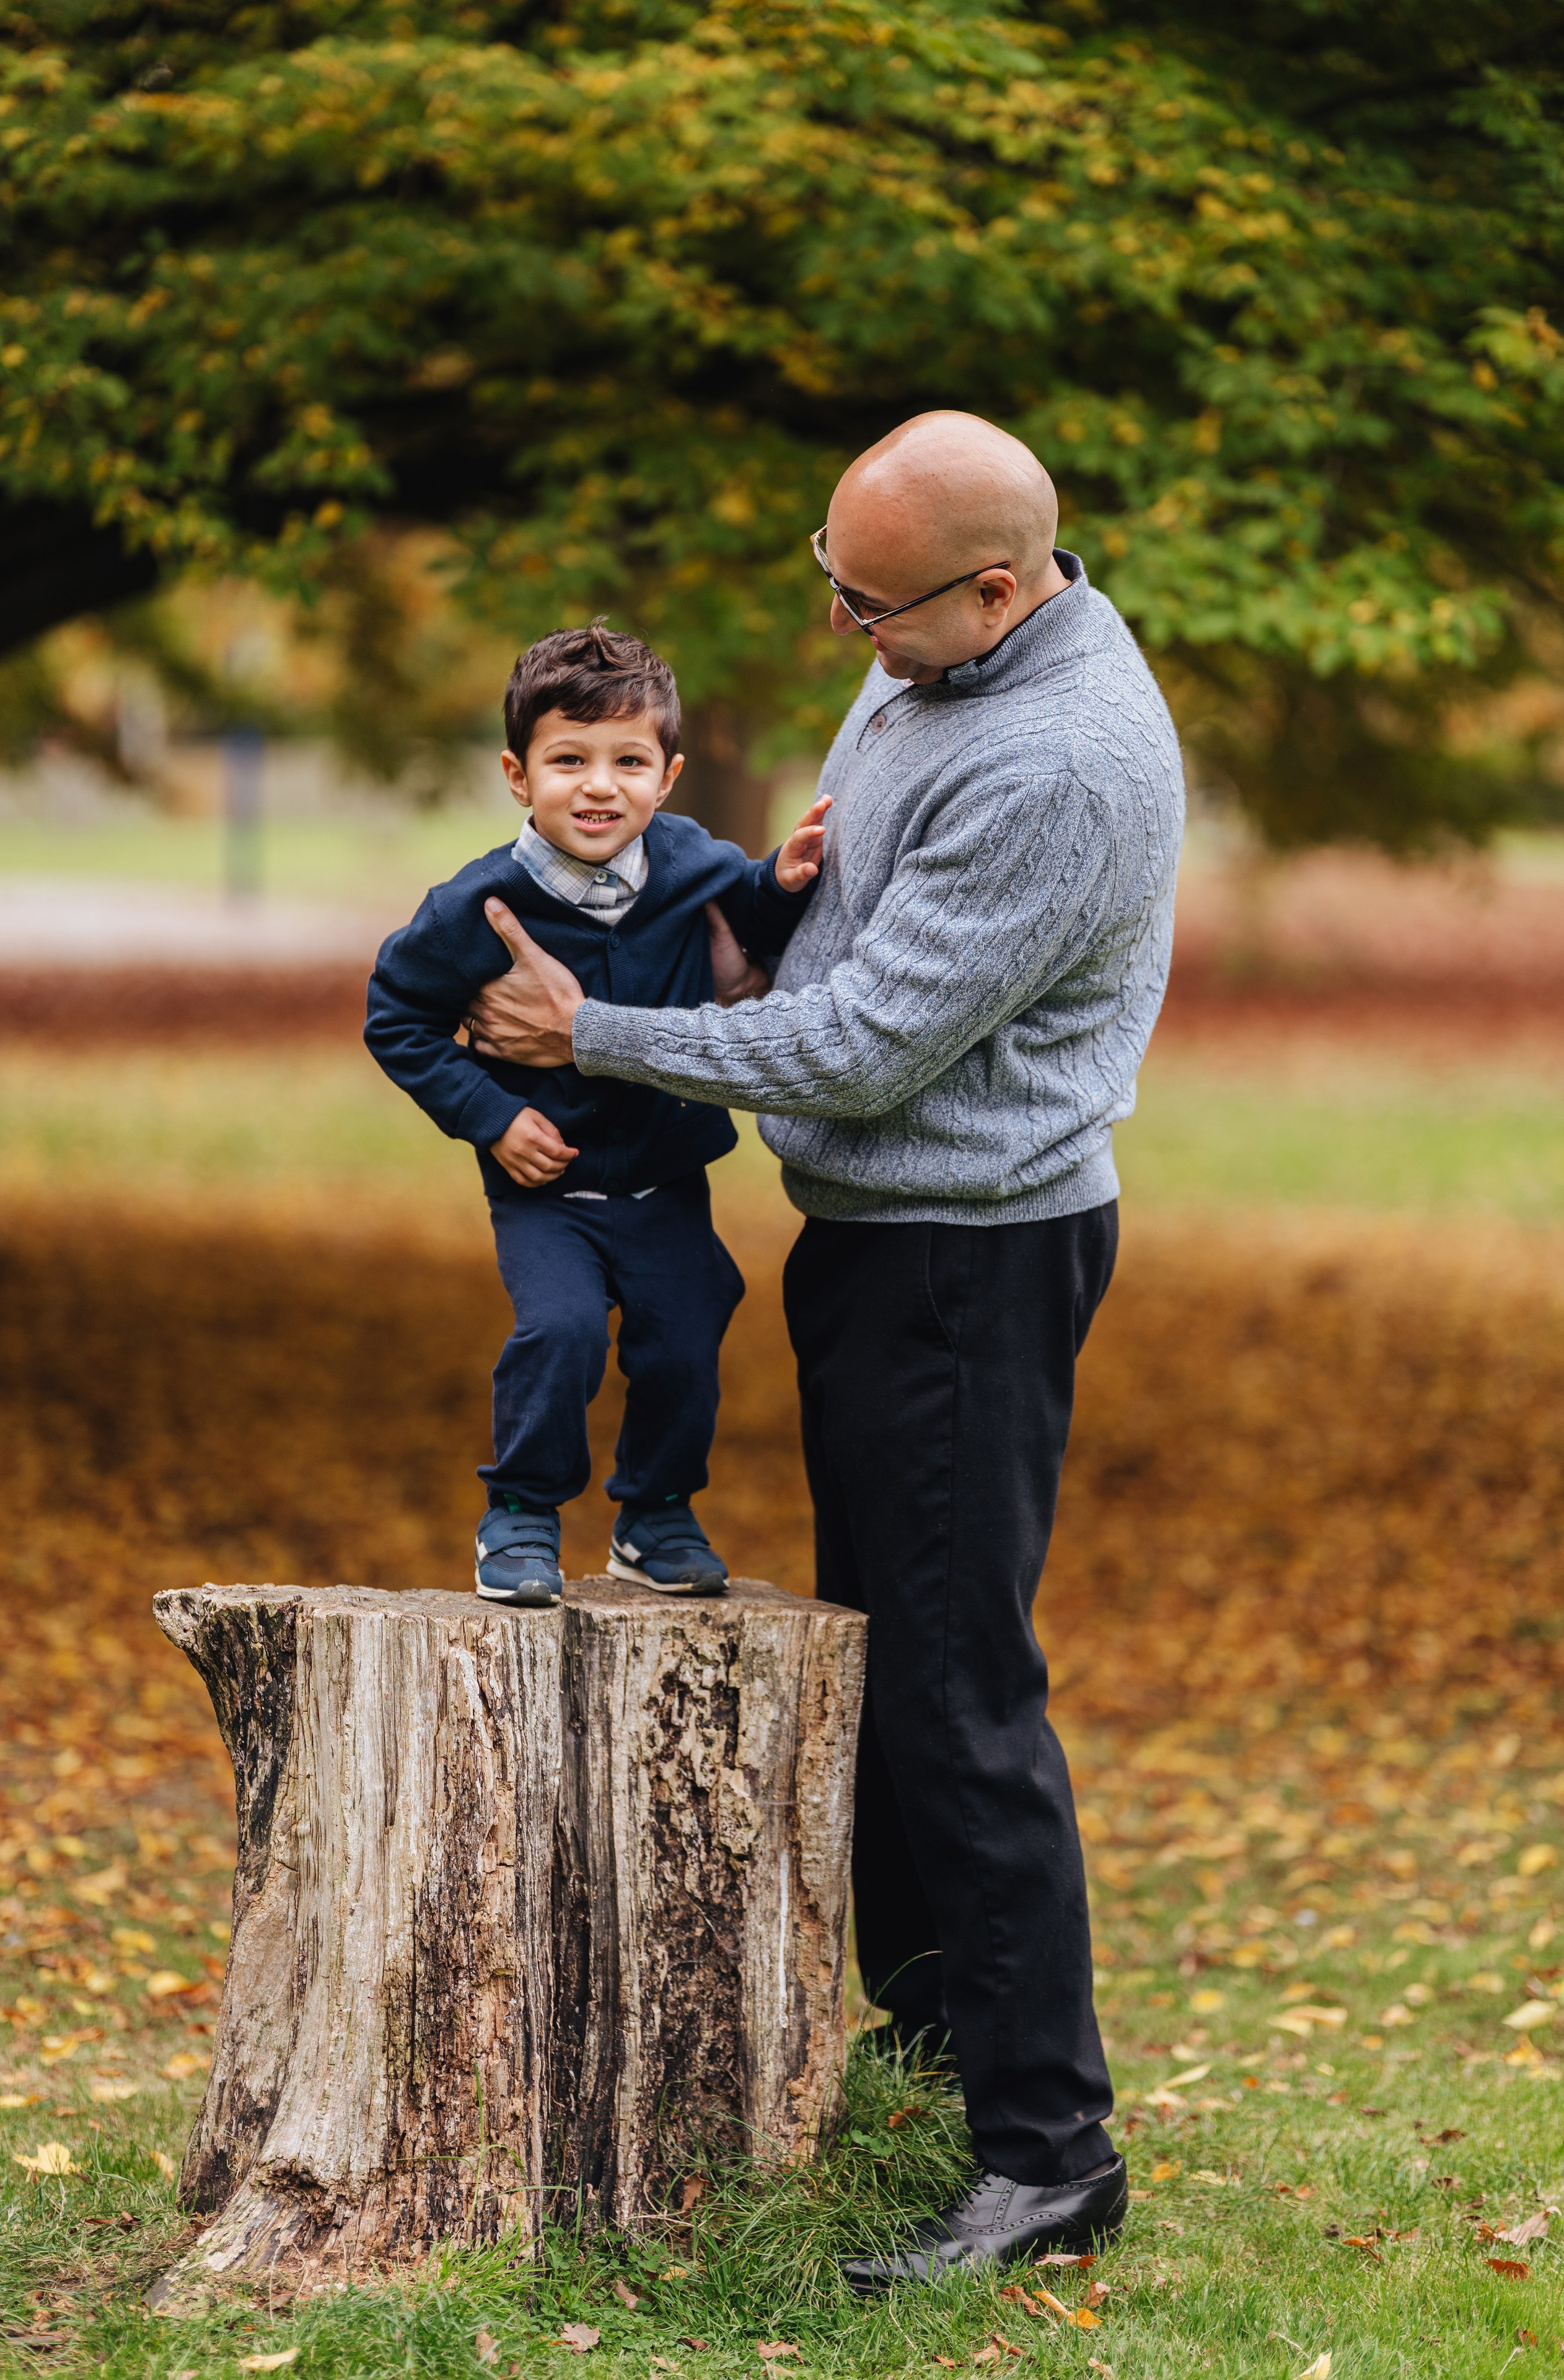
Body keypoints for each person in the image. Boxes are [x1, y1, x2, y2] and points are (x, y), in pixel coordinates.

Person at [463, 413, 1185, 2282]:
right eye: (836, 582)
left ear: (1001, 588)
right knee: (889, 1659)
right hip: (880, 1243)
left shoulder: (1057, 762)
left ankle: (1049, 2153)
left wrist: (596, 1042)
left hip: (974, 1260)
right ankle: (940, 2025)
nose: (850, 631)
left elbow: (866, 1049)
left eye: (876, 605)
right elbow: (827, 946)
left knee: (960, 1697)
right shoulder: (936, 671)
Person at [364, 623, 828, 1606]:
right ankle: (521, 1512)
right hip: (549, 1187)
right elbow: (395, 1016)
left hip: (667, 1179)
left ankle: (654, 1513)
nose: (599, 785)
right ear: (518, 774)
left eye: (629, 761)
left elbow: (746, 914)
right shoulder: (478, 906)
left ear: (667, 776)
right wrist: (490, 1117)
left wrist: (782, 885)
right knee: (563, 1330)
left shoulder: (691, 860)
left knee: (688, 1328)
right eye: (568, 759)